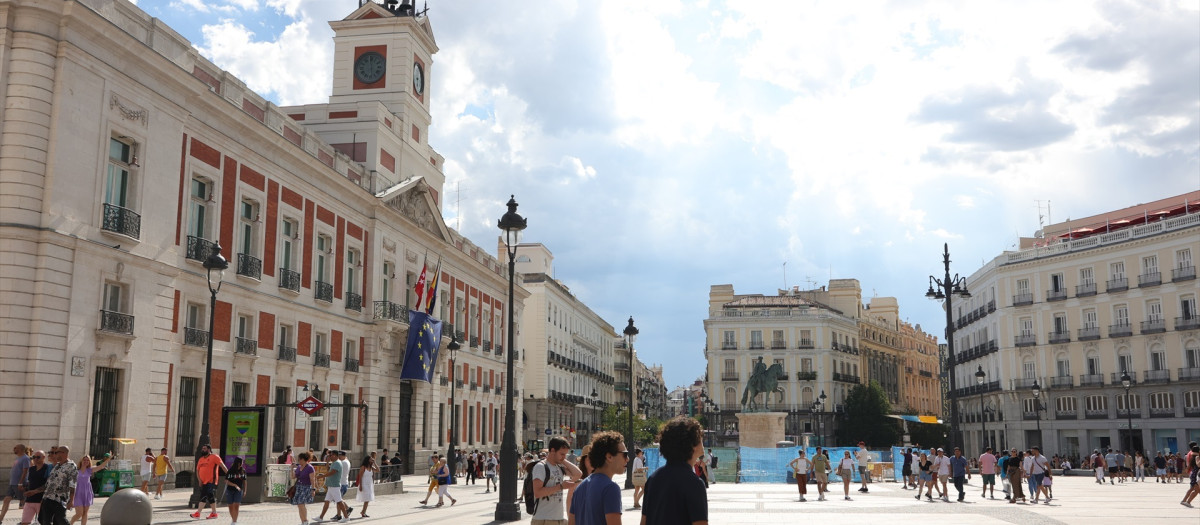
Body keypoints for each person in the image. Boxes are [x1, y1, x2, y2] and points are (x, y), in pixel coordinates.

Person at [639, 416, 707, 525]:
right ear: (693, 445)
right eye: (700, 439)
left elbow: (644, 522)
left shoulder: (653, 479)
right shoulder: (694, 483)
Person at [568, 431, 627, 525]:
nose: (627, 459)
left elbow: (571, 522)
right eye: (625, 454)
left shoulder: (579, 488)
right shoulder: (610, 488)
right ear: (609, 457)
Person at [531, 436, 582, 525]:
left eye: (565, 454)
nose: (564, 457)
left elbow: (578, 474)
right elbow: (537, 492)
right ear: (553, 451)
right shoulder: (541, 467)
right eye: (562, 454)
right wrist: (561, 486)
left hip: (558, 518)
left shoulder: (559, 467)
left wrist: (563, 460)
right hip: (544, 519)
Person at [68, 453, 111, 525]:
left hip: (87, 493)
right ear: (81, 461)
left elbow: (101, 466)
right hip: (77, 493)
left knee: (85, 512)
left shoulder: (90, 470)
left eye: (87, 460)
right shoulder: (76, 470)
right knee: (79, 513)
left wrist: (108, 459)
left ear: (89, 462)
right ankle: (70, 523)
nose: (86, 461)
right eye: (84, 460)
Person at [39, 445, 77, 525]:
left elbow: (72, 484)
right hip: (48, 497)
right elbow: (49, 482)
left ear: (63, 453)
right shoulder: (57, 466)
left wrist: (71, 500)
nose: (54, 455)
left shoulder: (71, 466)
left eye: (56, 453)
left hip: (59, 499)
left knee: (60, 520)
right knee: (44, 521)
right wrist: (35, 492)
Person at [191, 445, 226, 520]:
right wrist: (199, 480)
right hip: (203, 482)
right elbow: (197, 471)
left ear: (209, 450)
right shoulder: (201, 459)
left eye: (205, 449)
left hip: (211, 481)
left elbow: (222, 466)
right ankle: (214, 513)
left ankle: (198, 513)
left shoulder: (214, 457)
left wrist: (229, 475)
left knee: (203, 495)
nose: (203, 450)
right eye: (202, 448)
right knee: (210, 497)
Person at [3, 444, 30, 523]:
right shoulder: (18, 458)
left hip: (19, 484)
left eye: (15, 448)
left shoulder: (25, 458)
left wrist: (20, 483)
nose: (14, 449)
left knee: (24, 502)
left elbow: (25, 471)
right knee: (6, 500)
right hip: (12, 483)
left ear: (21, 449)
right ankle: (0, 519)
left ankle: (25, 521)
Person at [21, 450, 48, 525]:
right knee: (25, 522)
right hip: (29, 500)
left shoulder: (47, 468)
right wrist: (25, 489)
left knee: (43, 522)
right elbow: (30, 482)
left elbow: (48, 484)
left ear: (43, 457)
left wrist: (33, 491)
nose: (35, 459)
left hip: (41, 500)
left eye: (38, 457)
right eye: (34, 457)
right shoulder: (32, 469)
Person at [317, 451, 347, 521]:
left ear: (336, 456)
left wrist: (322, 476)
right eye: (330, 455)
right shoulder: (334, 463)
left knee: (339, 502)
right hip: (331, 486)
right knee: (327, 501)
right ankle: (321, 517)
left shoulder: (337, 463)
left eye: (331, 455)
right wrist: (327, 462)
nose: (330, 457)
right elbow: (328, 469)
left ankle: (346, 517)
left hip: (334, 485)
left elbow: (332, 472)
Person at [290, 452, 315, 525]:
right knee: (299, 504)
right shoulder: (298, 467)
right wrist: (292, 469)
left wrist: (313, 489)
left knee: (301, 503)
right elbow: (293, 477)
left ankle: (305, 520)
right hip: (298, 487)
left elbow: (312, 479)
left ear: (304, 459)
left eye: (300, 459)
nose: (299, 461)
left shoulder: (310, 468)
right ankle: (303, 521)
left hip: (306, 487)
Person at [223, 457, 246, 525]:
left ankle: (234, 521)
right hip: (230, 490)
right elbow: (226, 481)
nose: (242, 463)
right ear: (239, 463)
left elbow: (245, 481)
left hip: (239, 491)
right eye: (242, 462)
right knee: (230, 506)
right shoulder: (230, 471)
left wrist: (245, 491)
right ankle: (233, 520)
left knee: (236, 505)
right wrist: (234, 485)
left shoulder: (243, 470)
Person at [356, 453, 377, 518]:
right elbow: (360, 476)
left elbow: (378, 470)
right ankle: (363, 512)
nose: (372, 460)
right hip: (364, 484)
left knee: (368, 498)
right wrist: (361, 485)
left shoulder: (371, 467)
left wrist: (375, 463)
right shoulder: (363, 467)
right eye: (371, 459)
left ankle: (363, 512)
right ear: (367, 460)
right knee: (367, 498)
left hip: (369, 484)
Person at [336, 450, 353, 518]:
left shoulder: (343, 462)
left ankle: (347, 509)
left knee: (338, 499)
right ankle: (339, 514)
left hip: (342, 483)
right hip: (344, 482)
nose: (339, 457)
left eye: (340, 455)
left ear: (344, 456)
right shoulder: (347, 461)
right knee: (338, 500)